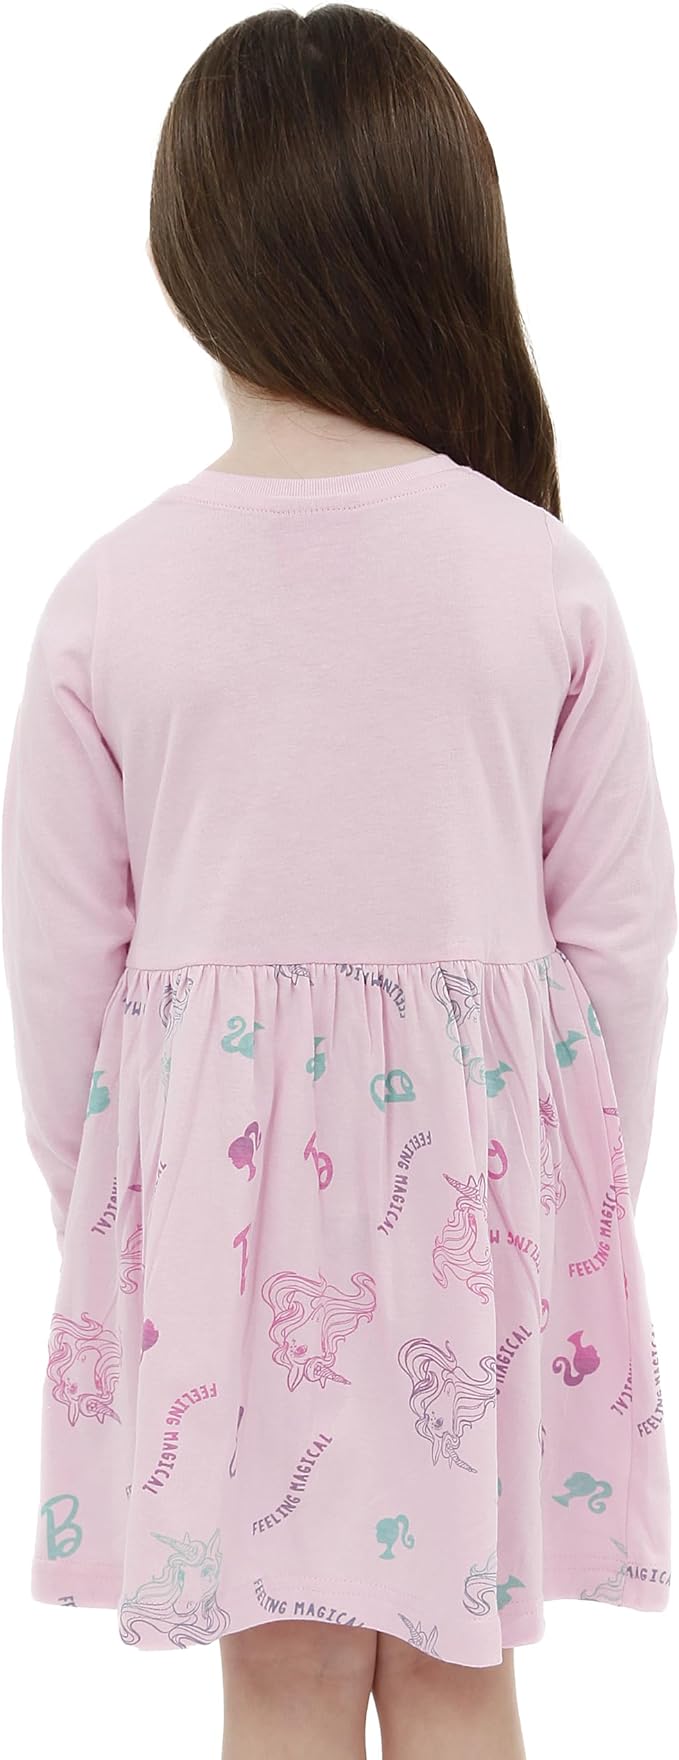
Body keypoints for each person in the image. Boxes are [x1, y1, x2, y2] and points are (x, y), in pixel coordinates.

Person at [2, 7, 676, 1759]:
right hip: (484, 1200)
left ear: (191, 255)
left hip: (215, 1225)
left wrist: (127, 1224)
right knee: (462, 1671)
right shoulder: (541, 575)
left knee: (281, 1679)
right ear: (446, 237)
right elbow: (619, 943)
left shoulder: (108, 596)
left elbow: (62, 980)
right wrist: (568, 1210)